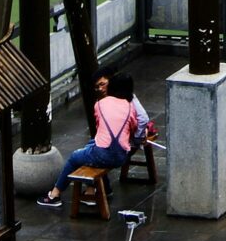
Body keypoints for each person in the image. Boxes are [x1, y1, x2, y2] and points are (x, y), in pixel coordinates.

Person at [36, 74, 148, 209]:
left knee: (75, 158)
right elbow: (133, 127)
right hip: (121, 156)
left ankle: (54, 195)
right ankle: (99, 190)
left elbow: (99, 127)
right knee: (91, 151)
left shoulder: (100, 104)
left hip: (102, 153)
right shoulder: (129, 106)